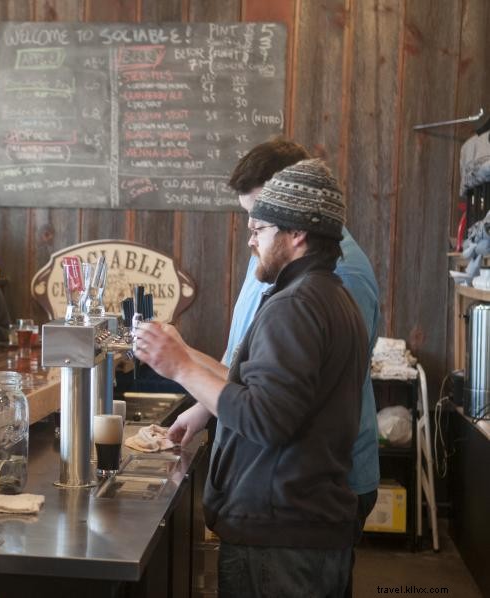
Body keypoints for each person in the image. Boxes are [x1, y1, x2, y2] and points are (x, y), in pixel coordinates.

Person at [134, 159, 370, 597]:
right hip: (307, 530)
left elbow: (265, 418)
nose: (251, 242)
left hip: (280, 538)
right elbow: (263, 385)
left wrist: (180, 368)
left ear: (296, 234)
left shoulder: (294, 306)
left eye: (259, 229)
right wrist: (188, 367)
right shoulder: (331, 297)